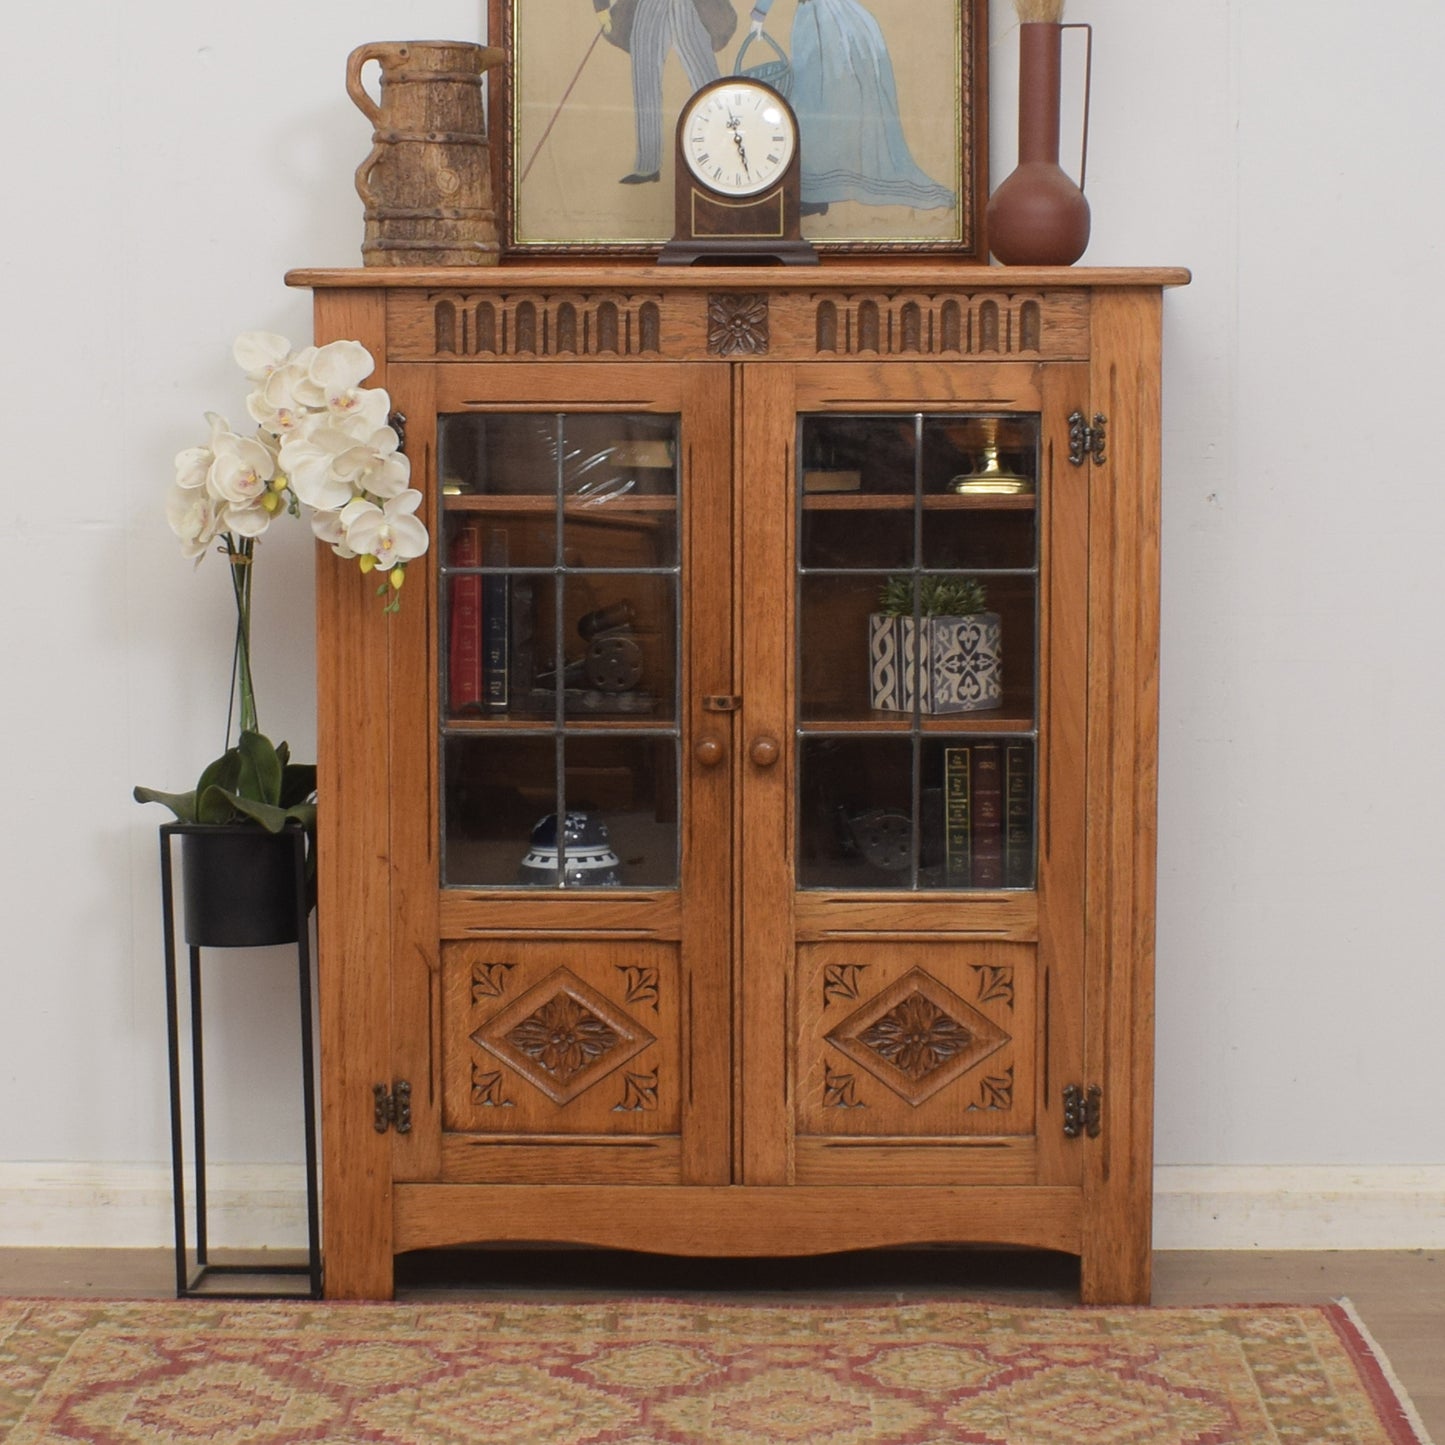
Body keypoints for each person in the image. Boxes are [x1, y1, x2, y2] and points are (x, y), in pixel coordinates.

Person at [746, 0, 954, 214]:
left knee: (818, 100)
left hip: (825, 25)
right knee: (822, 99)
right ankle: (817, 190)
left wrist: (760, 15)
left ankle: (817, 190)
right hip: (843, 21)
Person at [593, 0, 737, 183]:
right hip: (647, 5)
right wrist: (602, 9)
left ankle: (733, 149)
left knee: (704, 77)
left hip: (686, 5)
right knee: (644, 75)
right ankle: (648, 165)